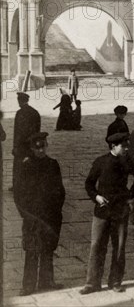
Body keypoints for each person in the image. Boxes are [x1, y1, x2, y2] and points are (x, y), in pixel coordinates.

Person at [80, 132, 131, 295]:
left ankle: (115, 281)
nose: (126, 148)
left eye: (126, 145)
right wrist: (96, 197)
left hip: (121, 211)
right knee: (96, 246)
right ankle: (92, 283)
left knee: (119, 247)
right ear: (113, 146)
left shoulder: (128, 162)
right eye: (123, 146)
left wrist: (132, 195)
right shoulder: (100, 162)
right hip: (102, 212)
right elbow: (89, 184)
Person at [14, 132, 65, 296]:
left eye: (43, 147)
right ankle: (28, 285)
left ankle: (46, 281)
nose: (41, 151)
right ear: (31, 148)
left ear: (46, 146)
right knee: (32, 249)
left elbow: (60, 190)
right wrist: (26, 215)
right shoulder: (26, 166)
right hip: (33, 217)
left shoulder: (53, 164)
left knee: (48, 248)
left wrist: (56, 210)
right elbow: (19, 194)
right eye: (37, 148)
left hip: (50, 216)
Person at [12, 92, 41, 192]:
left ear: (20, 101)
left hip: (21, 144)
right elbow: (38, 129)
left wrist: (15, 146)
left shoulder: (19, 113)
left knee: (19, 165)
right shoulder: (35, 112)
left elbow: (17, 131)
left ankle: (18, 185)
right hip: (32, 143)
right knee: (32, 162)